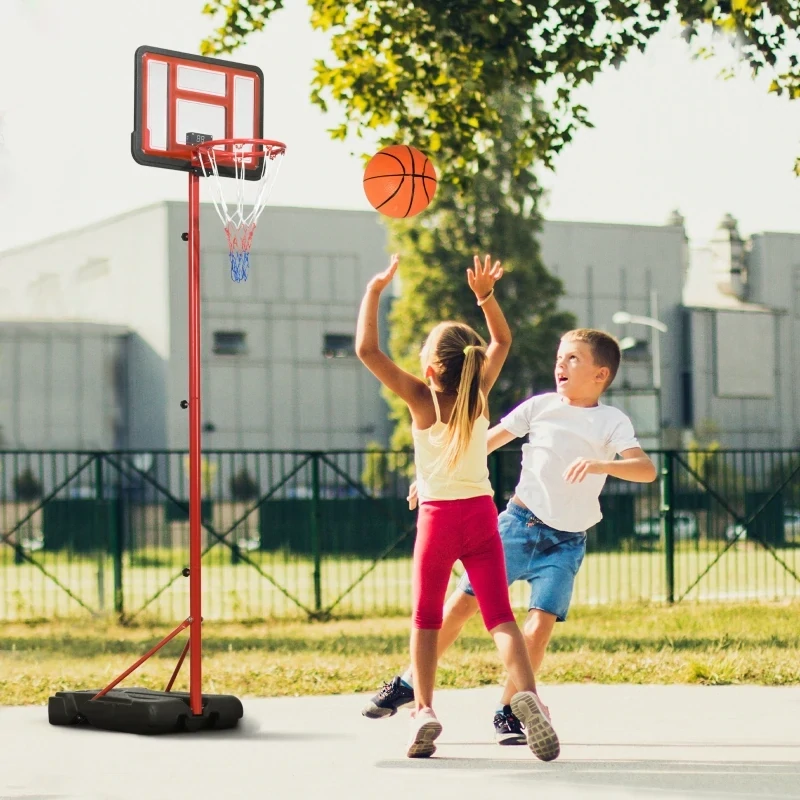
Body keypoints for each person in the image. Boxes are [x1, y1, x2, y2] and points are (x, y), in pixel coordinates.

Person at [362, 327, 657, 745]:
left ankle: (510, 708)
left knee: (539, 626)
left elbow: (646, 470)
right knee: (463, 606)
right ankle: (410, 680)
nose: (560, 364)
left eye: (573, 358)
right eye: (559, 357)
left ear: (601, 375)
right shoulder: (539, 407)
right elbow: (479, 441)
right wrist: (431, 476)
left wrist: (601, 465)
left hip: (567, 541)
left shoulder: (612, 421)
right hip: (519, 525)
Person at [355, 253, 560, 761]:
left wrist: (375, 290)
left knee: (426, 619)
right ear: (469, 363)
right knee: (501, 619)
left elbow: (366, 349)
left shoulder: (421, 398)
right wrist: (486, 296)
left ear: (429, 368)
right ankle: (527, 696)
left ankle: (423, 709)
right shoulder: (478, 396)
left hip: (439, 521)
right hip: (481, 518)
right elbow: (503, 341)